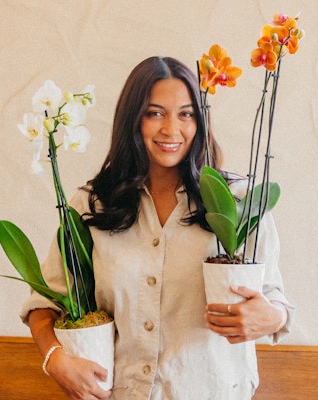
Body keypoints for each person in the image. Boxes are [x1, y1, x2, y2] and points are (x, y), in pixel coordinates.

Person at [20, 56, 294, 400]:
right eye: (155, 113)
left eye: (185, 114)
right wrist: (56, 361)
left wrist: (269, 318)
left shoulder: (239, 202)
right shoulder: (92, 205)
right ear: (133, 121)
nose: (171, 129)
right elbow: (44, 303)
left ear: (200, 121)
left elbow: (277, 303)